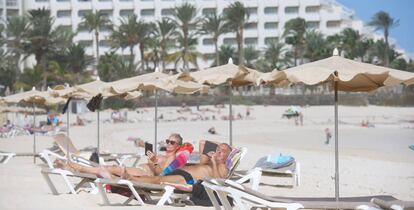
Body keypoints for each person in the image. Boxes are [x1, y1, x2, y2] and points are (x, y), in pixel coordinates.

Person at [56, 133, 184, 178]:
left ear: (178, 146)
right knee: (110, 170)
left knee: (114, 168)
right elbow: (153, 156)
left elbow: (162, 174)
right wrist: (144, 145)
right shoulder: (166, 155)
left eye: (172, 142)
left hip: (145, 174)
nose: (168, 144)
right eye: (167, 141)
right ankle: (75, 168)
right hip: (142, 169)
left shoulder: (173, 159)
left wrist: (154, 161)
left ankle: (76, 168)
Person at [122, 143, 232, 185]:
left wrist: (214, 160)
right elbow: (202, 142)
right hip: (180, 172)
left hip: (188, 179)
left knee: (159, 180)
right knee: (157, 174)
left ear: (228, 155)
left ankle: (132, 179)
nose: (219, 151)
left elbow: (219, 182)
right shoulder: (206, 161)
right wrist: (219, 149)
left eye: (223, 151)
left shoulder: (223, 166)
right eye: (218, 149)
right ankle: (133, 177)